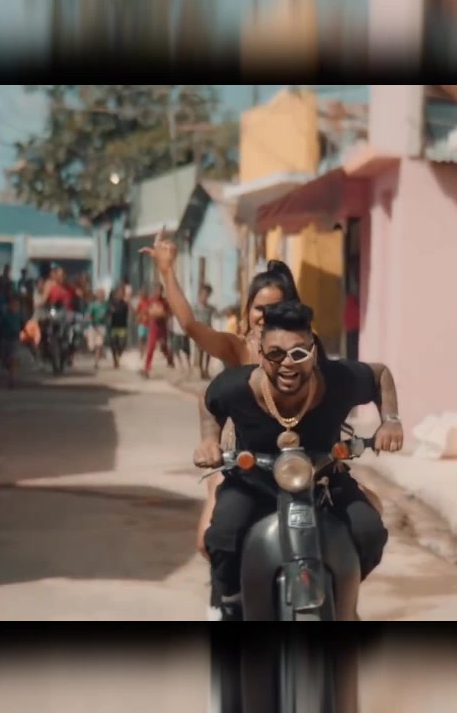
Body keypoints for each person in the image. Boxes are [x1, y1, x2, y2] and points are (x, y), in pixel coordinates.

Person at [139, 230, 389, 558]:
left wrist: (378, 427)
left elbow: (341, 387)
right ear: (247, 311)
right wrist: (167, 271)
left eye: (277, 308)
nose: (267, 316)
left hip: (306, 460)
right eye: (260, 308)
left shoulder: (306, 347)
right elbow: (189, 326)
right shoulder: (236, 346)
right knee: (208, 541)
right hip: (247, 458)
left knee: (370, 512)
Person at [195, 301, 403, 621]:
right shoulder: (238, 387)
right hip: (254, 482)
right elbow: (209, 402)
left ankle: (341, 597)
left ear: (313, 353)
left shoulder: (337, 379)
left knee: (369, 532)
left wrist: (390, 420)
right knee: (222, 537)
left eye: (298, 353)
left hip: (324, 480)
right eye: (275, 354)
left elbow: (380, 375)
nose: (287, 364)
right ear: (261, 355)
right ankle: (233, 600)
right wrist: (209, 441)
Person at [140, 283, 174, 379]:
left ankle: (169, 358)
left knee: (163, 346)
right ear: (154, 291)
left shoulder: (165, 302)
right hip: (153, 327)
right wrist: (147, 314)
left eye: (159, 290)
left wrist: (164, 315)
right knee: (151, 348)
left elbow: (170, 312)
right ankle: (147, 369)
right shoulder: (151, 300)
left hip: (162, 327)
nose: (157, 292)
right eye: (156, 290)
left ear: (162, 291)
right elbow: (145, 310)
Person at [0, 296, 27, 388]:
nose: (14, 306)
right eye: (12, 304)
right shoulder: (4, 315)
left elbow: (23, 325)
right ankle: (11, 373)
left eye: (16, 305)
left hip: (15, 339)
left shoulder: (20, 315)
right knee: (6, 361)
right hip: (4, 339)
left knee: (13, 359)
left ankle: (12, 380)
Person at [193, 284, 218, 380]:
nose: (204, 297)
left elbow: (217, 313)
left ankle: (206, 370)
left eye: (206, 295)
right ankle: (201, 370)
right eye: (203, 295)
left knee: (208, 352)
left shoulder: (210, 308)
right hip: (199, 332)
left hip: (208, 332)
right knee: (200, 352)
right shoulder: (196, 308)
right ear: (199, 295)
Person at [106, 285, 130, 368]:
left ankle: (118, 355)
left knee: (122, 344)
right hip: (113, 326)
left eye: (122, 293)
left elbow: (125, 313)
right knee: (113, 344)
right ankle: (115, 360)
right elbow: (108, 312)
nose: (120, 295)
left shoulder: (125, 304)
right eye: (119, 293)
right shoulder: (111, 303)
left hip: (122, 327)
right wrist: (111, 311)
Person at [86, 288, 109, 370]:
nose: (102, 296)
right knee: (91, 347)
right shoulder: (93, 305)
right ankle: (93, 352)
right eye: (100, 294)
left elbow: (108, 314)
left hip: (101, 326)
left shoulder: (106, 305)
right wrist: (91, 322)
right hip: (93, 326)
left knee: (99, 345)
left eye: (103, 294)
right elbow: (89, 315)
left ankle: (96, 362)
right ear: (97, 295)